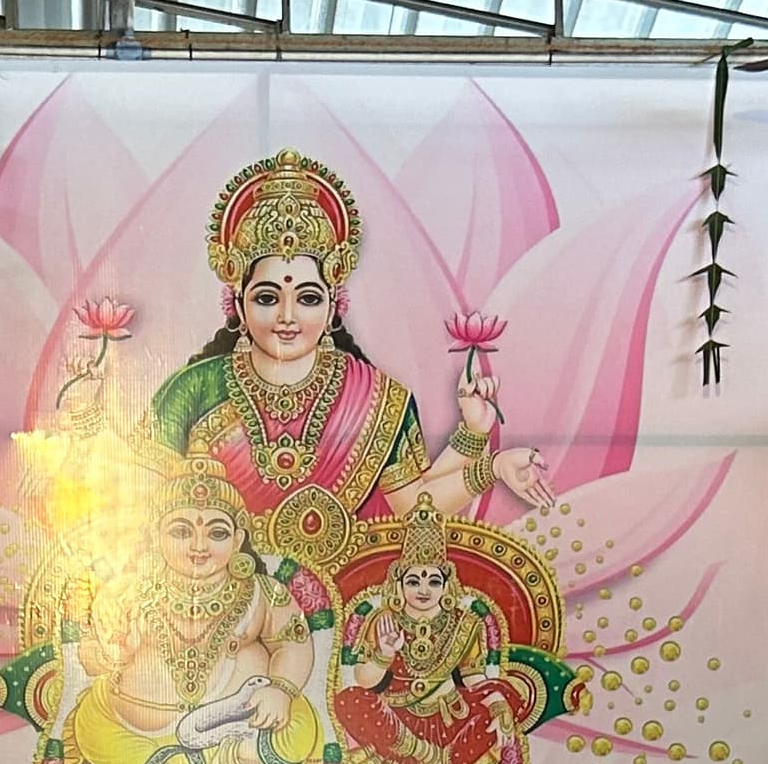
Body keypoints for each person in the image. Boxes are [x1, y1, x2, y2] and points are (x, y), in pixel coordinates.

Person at [54, 150, 554, 584]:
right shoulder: (193, 390)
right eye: (267, 297)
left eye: (308, 298)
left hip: (343, 607)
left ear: (334, 305)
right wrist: (86, 419)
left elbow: (414, 511)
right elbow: (140, 500)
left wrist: (484, 451)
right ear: (238, 304)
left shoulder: (378, 400)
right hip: (216, 610)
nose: (288, 317)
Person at [61, 460, 323, 764]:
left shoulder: (262, 593)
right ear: (155, 535)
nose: (199, 546)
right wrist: (111, 655)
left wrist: (280, 688)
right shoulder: (126, 591)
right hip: (145, 729)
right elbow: (89, 653)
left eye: (217, 533)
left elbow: (292, 644)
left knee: (299, 731)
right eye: (181, 531)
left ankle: (217, 756)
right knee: (93, 731)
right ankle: (175, 762)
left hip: (236, 725)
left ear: (238, 539)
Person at [332, 501, 560, 764]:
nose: (423, 589)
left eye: (433, 581)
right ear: (399, 584)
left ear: (446, 584)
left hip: (453, 720)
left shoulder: (465, 623)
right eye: (413, 581)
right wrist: (384, 654)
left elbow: (474, 679)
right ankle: (428, 758)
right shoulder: (383, 619)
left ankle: (443, 763)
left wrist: (496, 704)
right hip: (398, 724)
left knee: (504, 705)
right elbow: (365, 682)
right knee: (349, 700)